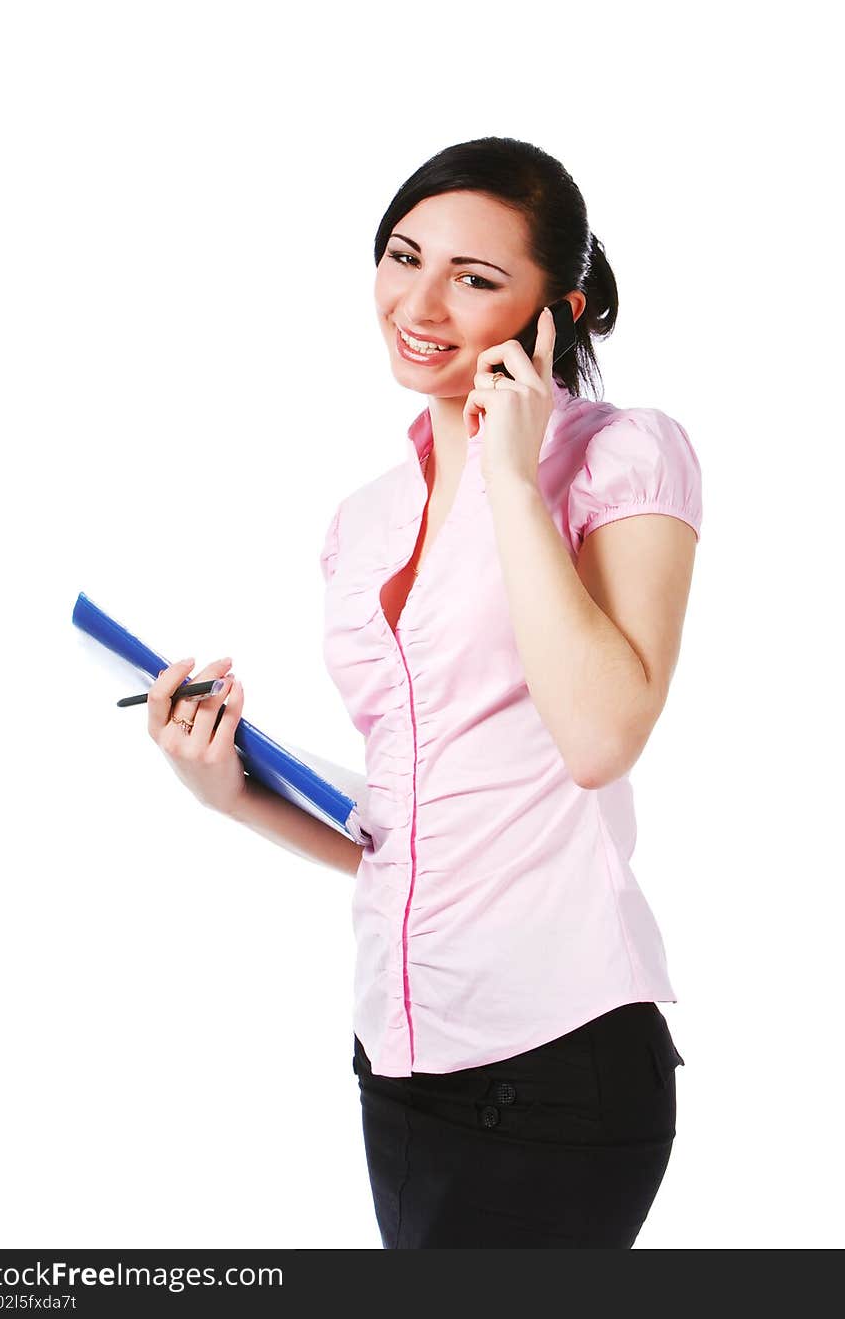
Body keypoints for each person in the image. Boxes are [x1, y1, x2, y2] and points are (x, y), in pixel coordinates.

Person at [145, 136, 701, 1248]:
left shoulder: (624, 458)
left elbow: (600, 736)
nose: (421, 300)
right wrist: (229, 789)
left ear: (562, 309)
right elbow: (414, 831)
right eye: (404, 255)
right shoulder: (363, 521)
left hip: (556, 1063)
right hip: (396, 1057)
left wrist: (509, 471)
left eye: (477, 277)